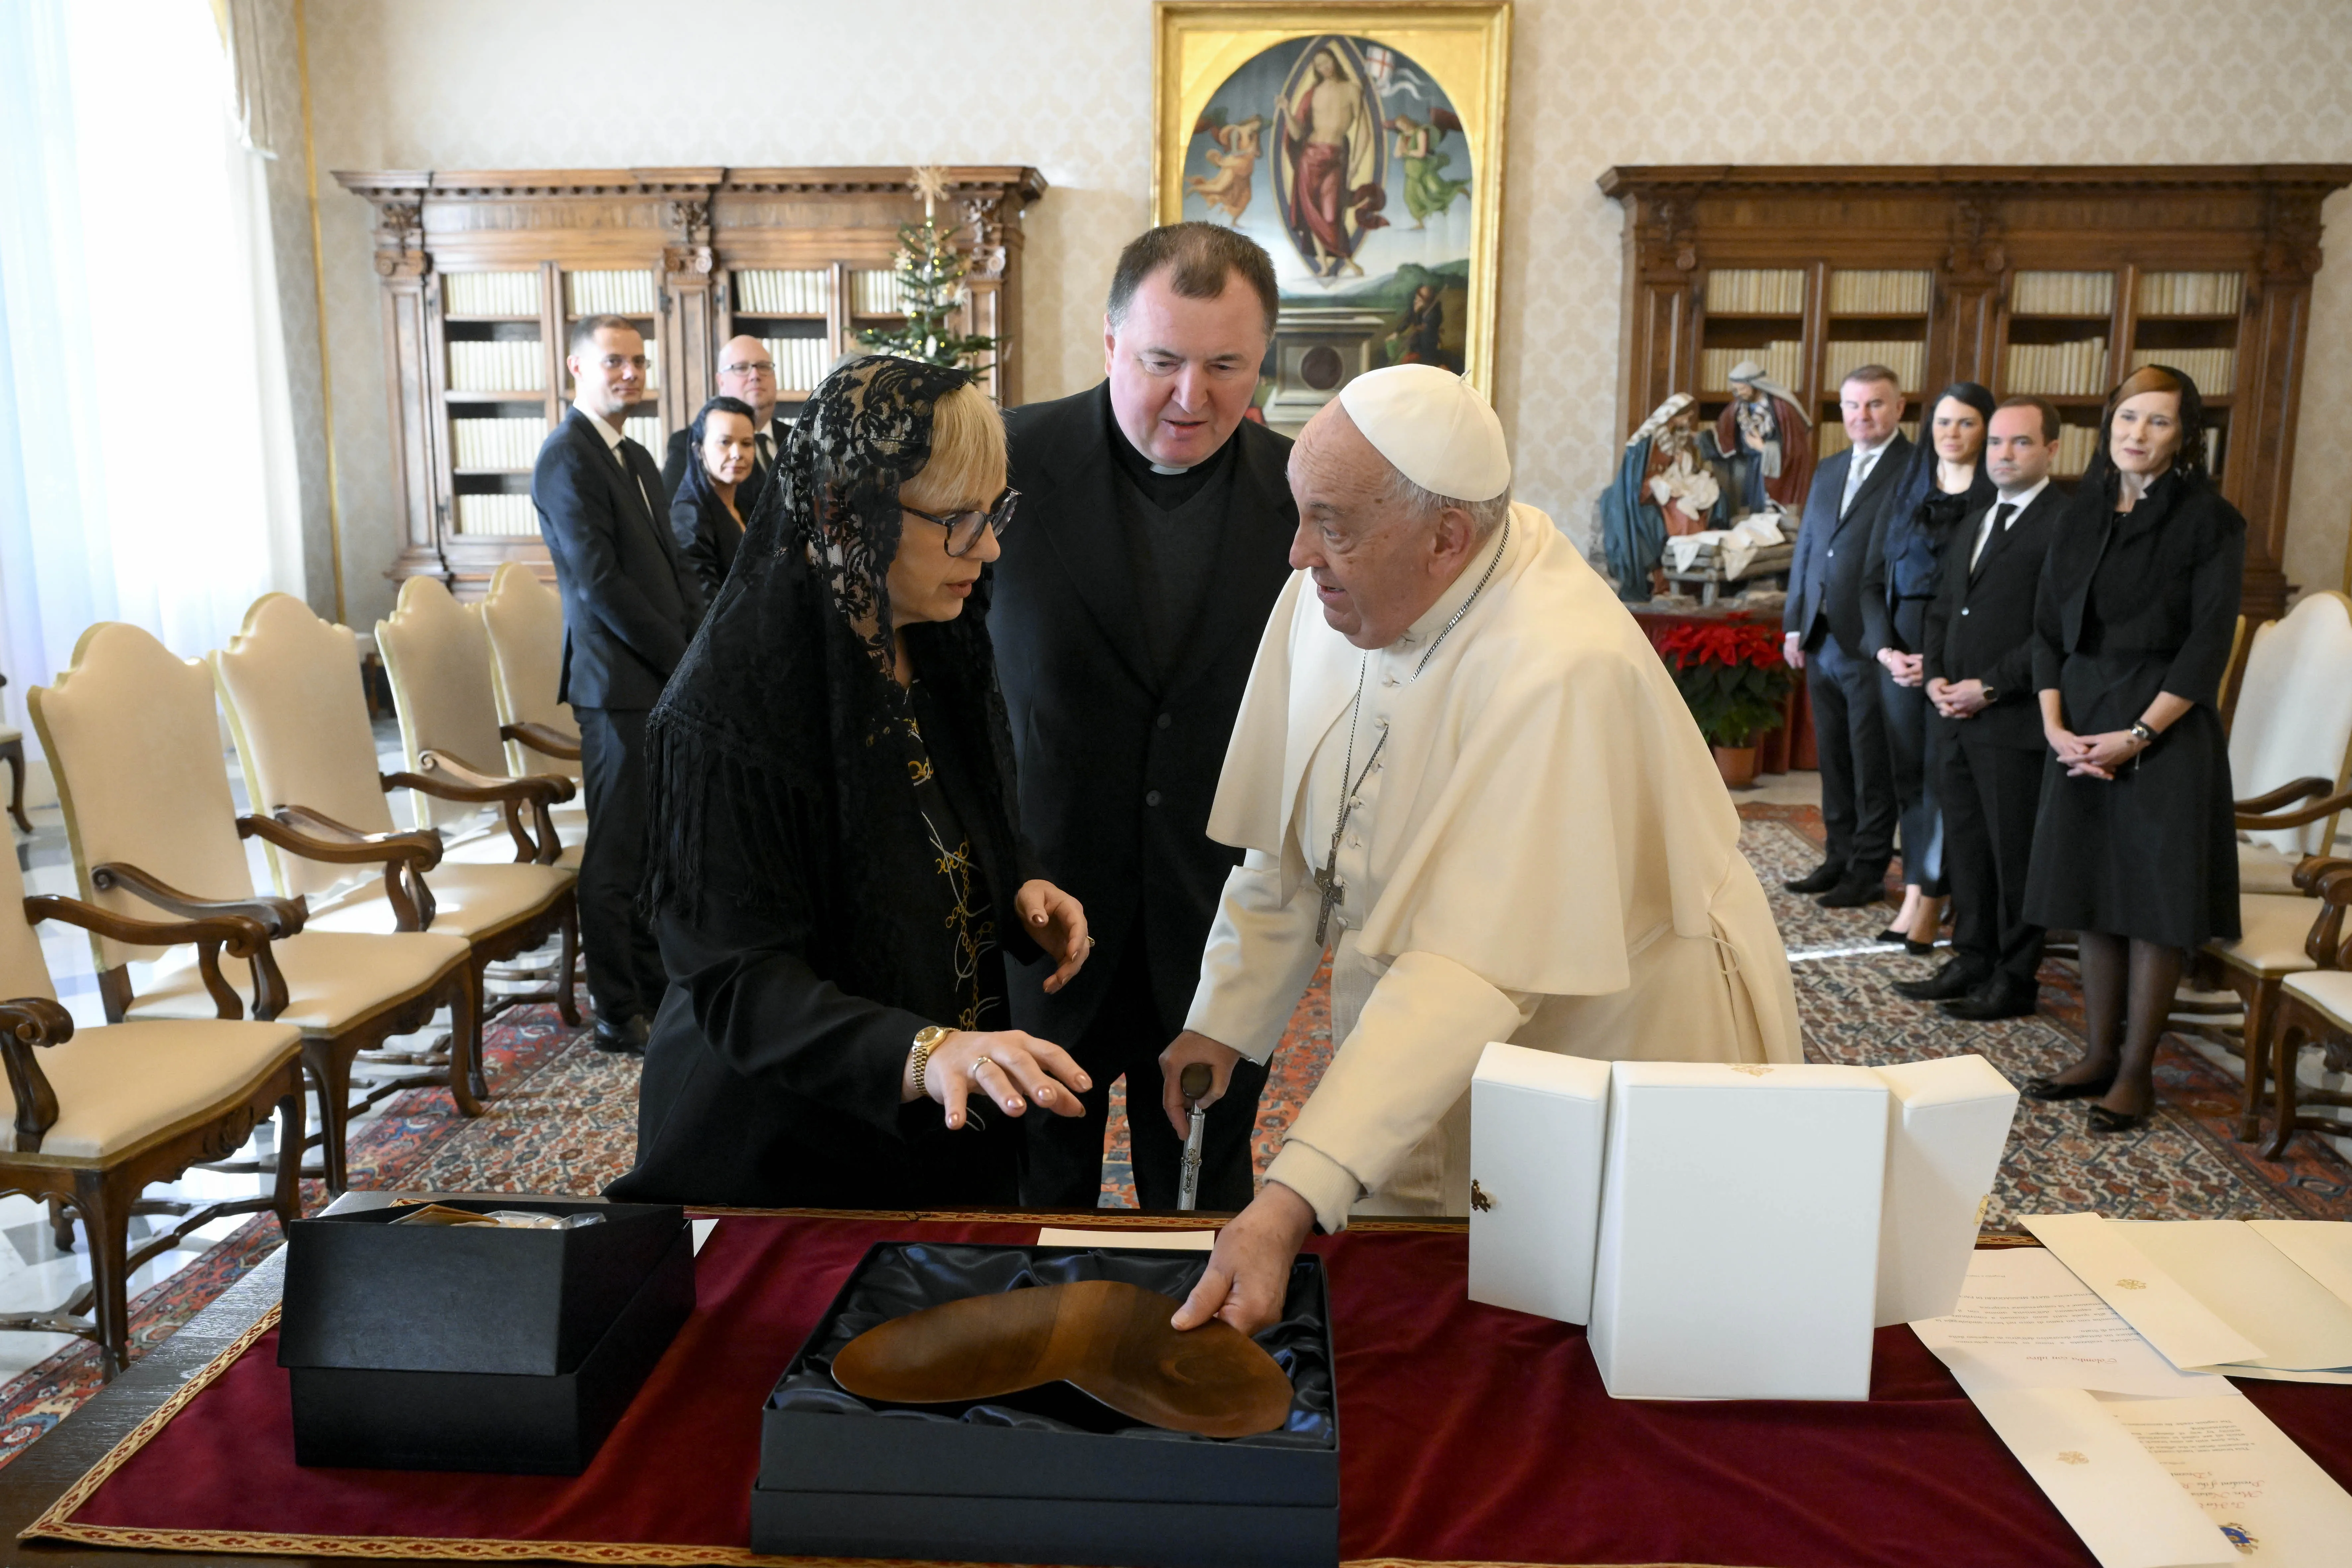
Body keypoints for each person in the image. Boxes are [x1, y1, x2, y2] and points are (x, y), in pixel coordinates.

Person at [1163, 364, 1801, 1335]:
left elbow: (1472, 969)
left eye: (1328, 524)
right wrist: (1222, 1018)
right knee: (1418, 1297)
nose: (1296, 556)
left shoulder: (1558, 667)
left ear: (1446, 539)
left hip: (1606, 1028)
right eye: (1299, 515)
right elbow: (1292, 846)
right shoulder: (1337, 589)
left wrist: (1293, 1194)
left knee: (1574, 1331)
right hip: (1426, 999)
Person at [607, 356, 1095, 1208]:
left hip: (931, 1101)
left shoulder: (939, 636)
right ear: (847, 514)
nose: (988, 546)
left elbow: (952, 812)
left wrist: (1015, 885)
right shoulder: (725, 705)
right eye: (956, 520)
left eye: (994, 512)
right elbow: (738, 980)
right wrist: (919, 1053)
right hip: (783, 1143)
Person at [992, 223, 1297, 1211]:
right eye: (1162, 361)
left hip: (1219, 927)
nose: (1190, 398)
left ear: (1263, 362)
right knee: (1034, 1207)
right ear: (1110, 343)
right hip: (1041, 922)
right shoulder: (1003, 462)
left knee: (1207, 1205)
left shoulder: (1302, 494)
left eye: (1226, 367)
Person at [2020, 365, 2242, 1134]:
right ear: (2106, 426)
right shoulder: (2077, 515)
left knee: (2150, 910)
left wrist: (2139, 733)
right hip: (2079, 726)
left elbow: (2205, 646)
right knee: (2090, 897)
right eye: (2125, 419)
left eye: (2156, 422)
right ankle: (2094, 1055)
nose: (2136, 434)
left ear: (2184, 436)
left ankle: (2137, 1073)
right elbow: (2047, 629)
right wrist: (2053, 724)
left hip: (2163, 735)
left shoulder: (2210, 522)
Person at [533, 315, 705, 1054]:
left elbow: (670, 569)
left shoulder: (635, 455)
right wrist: (680, 657)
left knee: (654, 845)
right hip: (616, 684)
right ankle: (614, 1008)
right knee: (615, 853)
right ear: (576, 368)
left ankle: (654, 984)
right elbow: (601, 584)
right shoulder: (566, 457)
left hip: (661, 677)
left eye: (638, 361)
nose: (630, 374)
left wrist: (703, 643)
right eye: (614, 362)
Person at [1906, 396, 2065, 1019]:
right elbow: (1944, 609)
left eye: (2020, 443)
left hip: (2013, 718)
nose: (2004, 454)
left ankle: (2015, 977)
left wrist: (1989, 687)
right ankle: (1971, 956)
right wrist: (1937, 678)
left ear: (2051, 449)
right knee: (1966, 847)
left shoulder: (2064, 523)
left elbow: (2054, 631)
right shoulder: (1976, 517)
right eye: (1996, 443)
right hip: (1953, 715)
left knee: (2012, 852)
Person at [1860, 382, 1995, 952]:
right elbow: (1870, 582)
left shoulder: (1994, 499)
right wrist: (1886, 652)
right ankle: (1915, 888)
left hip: (1956, 661)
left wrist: (1933, 664)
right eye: (1943, 422)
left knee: (1946, 783)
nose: (1951, 433)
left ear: (1986, 430)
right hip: (1899, 658)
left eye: (1965, 423)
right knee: (1909, 782)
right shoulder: (1904, 490)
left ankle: (1936, 897)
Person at [1781, 367, 1913, 909]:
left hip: (1873, 641)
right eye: (1852, 406)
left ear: (1899, 408)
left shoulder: (1914, 471)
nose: (1862, 416)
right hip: (1819, 638)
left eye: (1875, 405)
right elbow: (1809, 548)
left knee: (1870, 764)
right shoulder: (1830, 468)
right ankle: (1836, 856)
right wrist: (1794, 621)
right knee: (1832, 758)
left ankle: (1866, 869)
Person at [662, 336, 782, 508]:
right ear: (721, 382)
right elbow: (674, 517)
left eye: (764, 367)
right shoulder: (689, 444)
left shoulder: (801, 439)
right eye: (741, 368)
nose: (755, 375)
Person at [670, 395, 758, 602]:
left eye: (747, 443)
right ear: (699, 450)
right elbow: (704, 604)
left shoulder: (746, 507)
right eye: (725, 443)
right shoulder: (688, 515)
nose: (737, 453)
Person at [1715, 359, 1815, 511]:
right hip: (1752, 466)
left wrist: (1763, 448)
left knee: (1770, 508)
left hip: (1776, 472)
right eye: (1736, 390)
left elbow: (1794, 450)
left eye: (1742, 389)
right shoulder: (1740, 405)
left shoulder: (1783, 410)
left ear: (1756, 385)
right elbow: (1723, 432)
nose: (1739, 394)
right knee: (1752, 505)